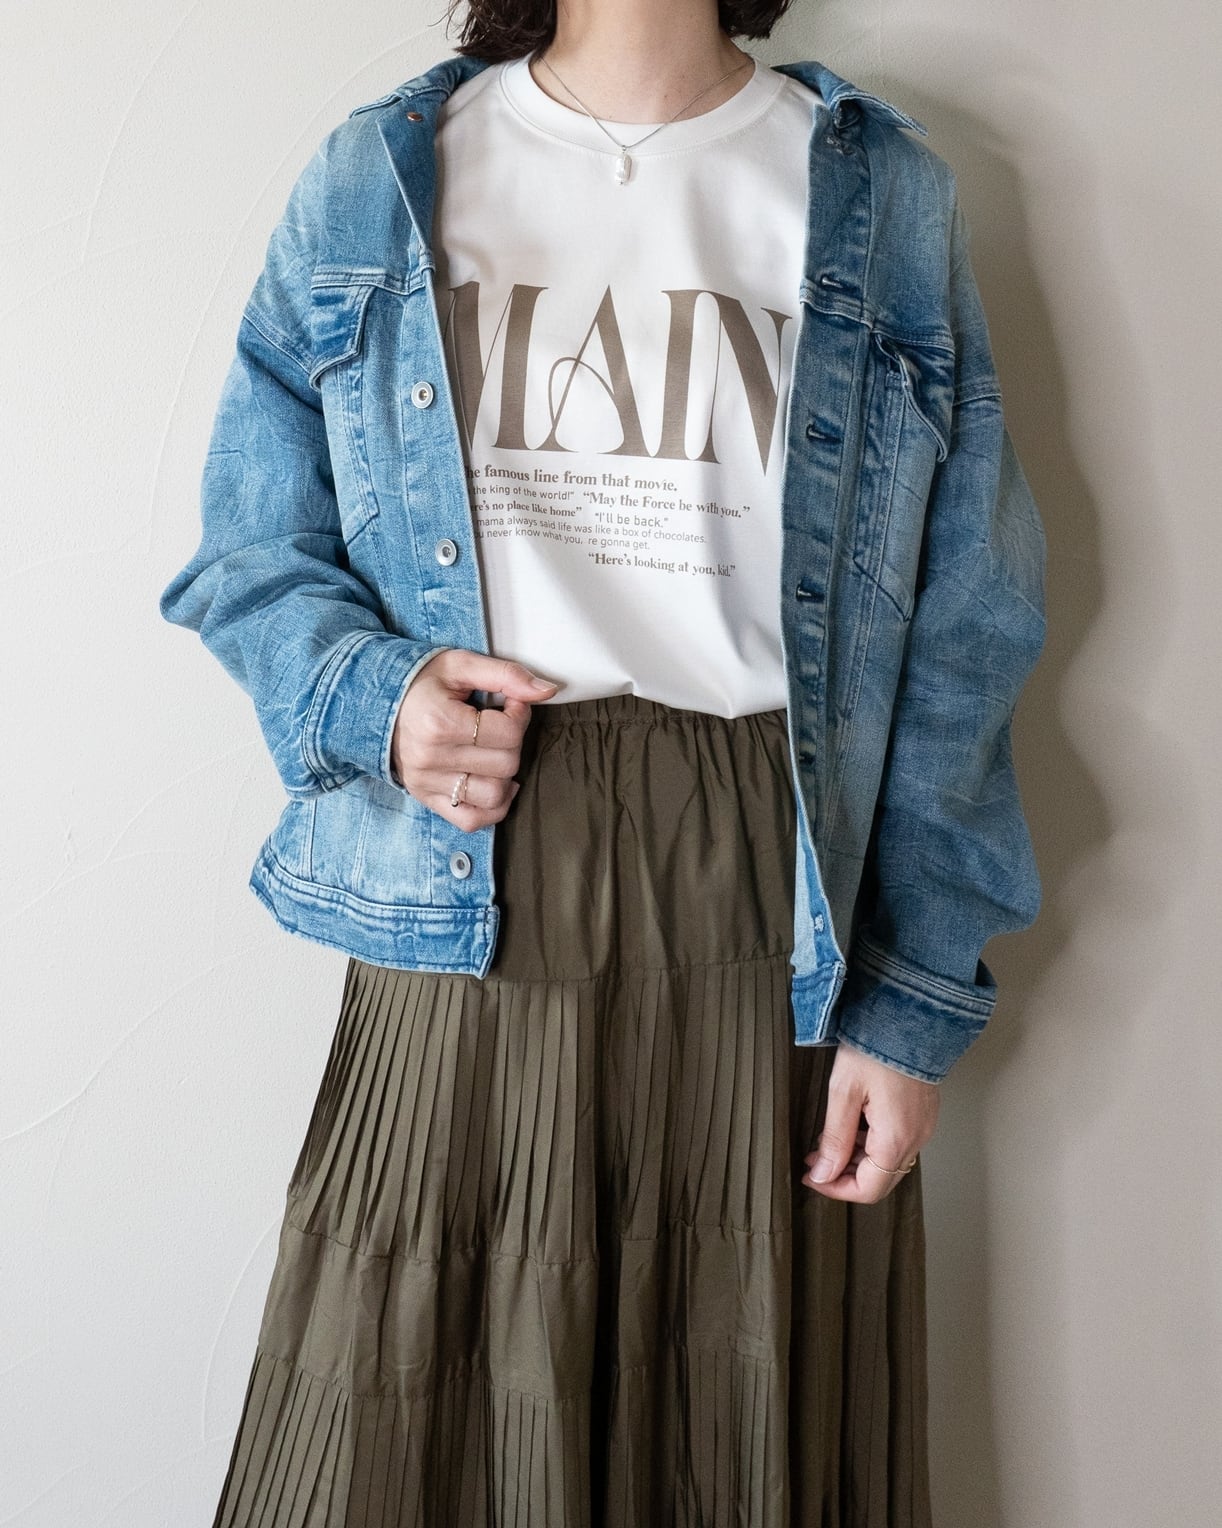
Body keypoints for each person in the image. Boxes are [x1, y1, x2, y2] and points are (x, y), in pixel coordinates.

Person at [158, 0, 1047, 1521]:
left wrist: (910, 1003)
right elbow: (249, 550)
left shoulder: (880, 193)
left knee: (731, 1410)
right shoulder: (387, 173)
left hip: (770, 878)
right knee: (412, 1409)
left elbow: (966, 623)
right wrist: (379, 699)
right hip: (470, 864)